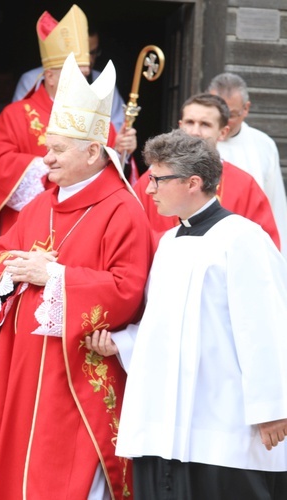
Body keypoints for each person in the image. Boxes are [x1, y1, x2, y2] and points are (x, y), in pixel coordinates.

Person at [0, 51, 153, 499]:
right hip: (23, 369)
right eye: (47, 147)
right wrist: (8, 272)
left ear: (93, 151)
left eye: (57, 149)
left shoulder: (122, 210)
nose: (46, 159)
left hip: (75, 375)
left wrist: (54, 276)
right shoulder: (40, 204)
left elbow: (127, 289)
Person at [88, 129, 287, 499]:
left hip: (223, 421)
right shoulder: (168, 242)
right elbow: (161, 324)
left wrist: (272, 406)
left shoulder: (243, 238)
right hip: (165, 419)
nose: (149, 190)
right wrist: (121, 343)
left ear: (193, 182)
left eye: (158, 179)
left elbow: (268, 327)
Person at [0, 4, 137, 245]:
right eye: (74, 74)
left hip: (85, 225)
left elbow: (113, 178)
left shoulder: (97, 121)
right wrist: (47, 171)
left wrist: (122, 153)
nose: (83, 82)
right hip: (27, 223)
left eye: (85, 75)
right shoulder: (16, 114)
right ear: (49, 76)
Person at [134, 93, 280, 248]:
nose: (195, 131)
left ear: (223, 132)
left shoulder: (245, 185)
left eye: (205, 124)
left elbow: (264, 247)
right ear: (180, 125)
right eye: (190, 122)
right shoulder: (151, 181)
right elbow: (132, 236)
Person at [208, 72, 287, 258]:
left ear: (246, 109)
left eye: (230, 114)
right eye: (216, 110)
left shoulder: (263, 145)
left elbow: (275, 205)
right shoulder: (191, 142)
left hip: (247, 251)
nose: (222, 120)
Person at [12, 28, 126, 132]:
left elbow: (115, 130)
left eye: (93, 53)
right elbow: (19, 124)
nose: (89, 60)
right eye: (83, 53)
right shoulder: (31, 79)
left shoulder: (103, 81)